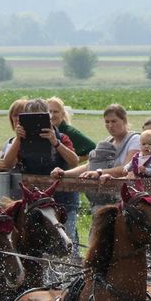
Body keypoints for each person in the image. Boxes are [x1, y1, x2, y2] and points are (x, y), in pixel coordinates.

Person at [52, 103, 141, 208]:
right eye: (107, 122)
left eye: (114, 121)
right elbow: (89, 166)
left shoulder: (135, 140)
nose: (110, 125)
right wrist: (64, 173)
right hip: (103, 201)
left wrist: (99, 172)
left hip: (125, 200)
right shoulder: (107, 141)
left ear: (124, 120)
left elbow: (126, 168)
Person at [47, 97, 92, 248]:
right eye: (49, 111)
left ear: (62, 113)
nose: (52, 115)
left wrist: (75, 162)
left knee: (69, 234)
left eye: (55, 111)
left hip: (66, 186)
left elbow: (92, 148)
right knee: (69, 236)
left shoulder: (67, 132)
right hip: (54, 186)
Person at [0, 98, 78, 175]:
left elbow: (74, 162)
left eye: (39, 119)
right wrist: (18, 139)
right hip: (32, 188)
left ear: (49, 118)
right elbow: (7, 165)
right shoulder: (22, 141)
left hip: (60, 188)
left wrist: (56, 143)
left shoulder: (62, 138)